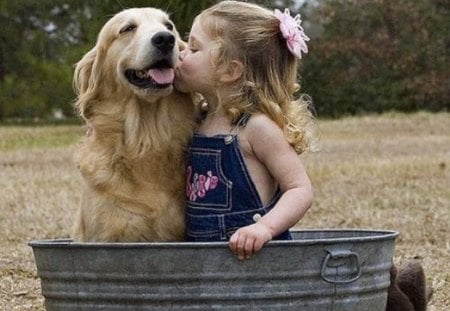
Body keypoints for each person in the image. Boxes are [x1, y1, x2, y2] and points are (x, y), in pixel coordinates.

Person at [174, 0, 317, 260]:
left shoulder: (256, 128)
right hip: (201, 259)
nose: (181, 52)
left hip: (253, 263)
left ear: (230, 71)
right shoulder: (196, 120)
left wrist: (264, 227)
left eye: (194, 48)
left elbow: (299, 189)